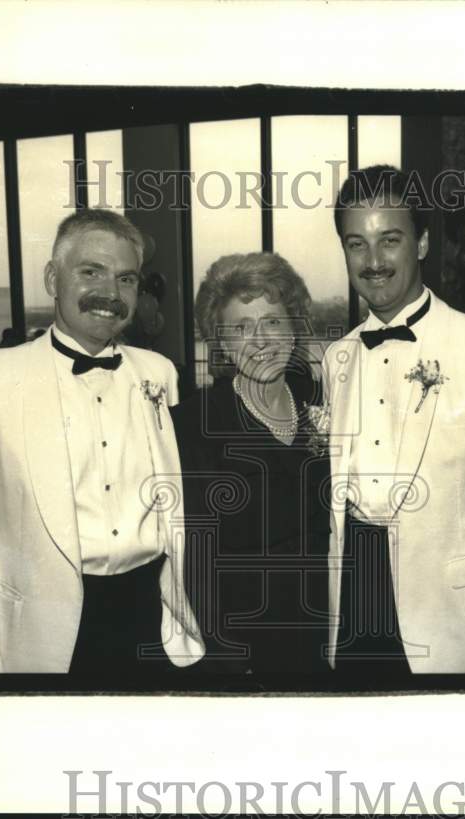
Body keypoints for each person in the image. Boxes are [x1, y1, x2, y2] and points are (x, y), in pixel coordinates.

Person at [0, 209, 203, 675]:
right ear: (52, 279)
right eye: (90, 272)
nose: (110, 293)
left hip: (152, 619)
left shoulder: (159, 374)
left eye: (126, 278)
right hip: (48, 635)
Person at [321, 165, 465, 675]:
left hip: (453, 619)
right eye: (356, 243)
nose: (373, 261)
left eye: (390, 240)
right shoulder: (335, 359)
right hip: (353, 599)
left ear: (422, 244)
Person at [171, 252, 331, 674]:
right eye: (241, 328)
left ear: (294, 330)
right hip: (241, 655)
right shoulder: (191, 426)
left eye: (273, 322)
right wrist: (227, 662)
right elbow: (192, 564)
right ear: (222, 343)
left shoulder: (324, 407)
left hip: (325, 641)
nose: (260, 340)